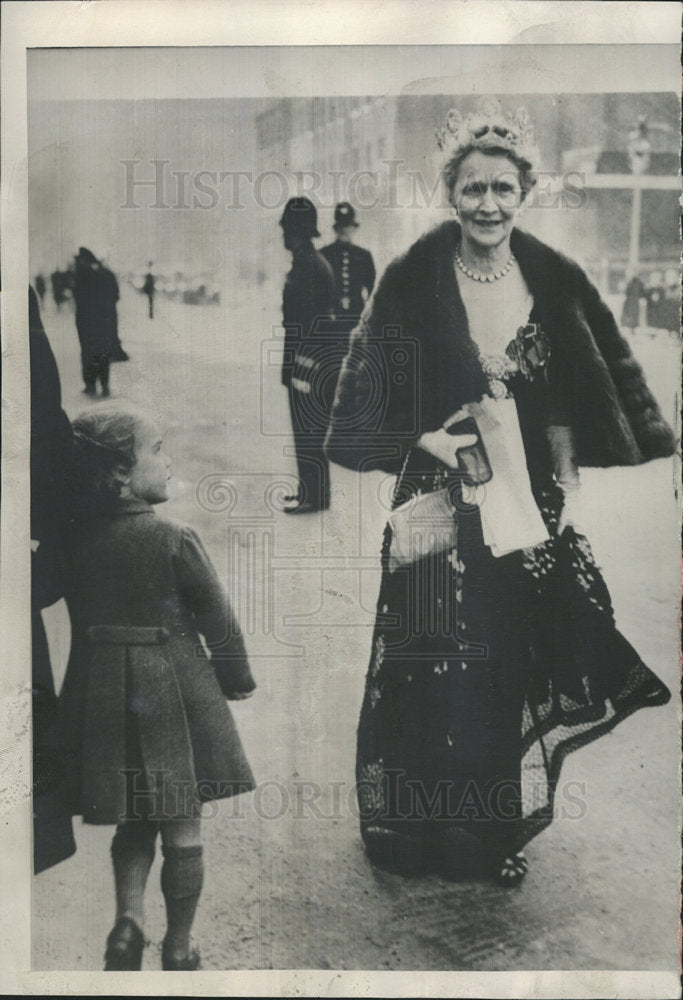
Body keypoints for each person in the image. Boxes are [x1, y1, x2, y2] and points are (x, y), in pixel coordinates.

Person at [325, 99, 674, 885]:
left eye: (502, 190)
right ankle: (416, 824)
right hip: (437, 499)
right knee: (429, 657)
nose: (487, 204)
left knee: (503, 660)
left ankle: (485, 831)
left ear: (524, 195)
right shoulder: (413, 275)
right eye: (473, 189)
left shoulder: (551, 276)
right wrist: (421, 439)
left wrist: (565, 481)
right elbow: (363, 396)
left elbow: (565, 397)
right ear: (451, 194)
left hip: (525, 501)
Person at [49, 403, 256, 970]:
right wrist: (237, 679)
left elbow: (39, 590)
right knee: (182, 821)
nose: (169, 461)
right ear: (119, 472)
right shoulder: (174, 538)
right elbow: (220, 620)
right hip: (177, 698)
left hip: (104, 702)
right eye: (157, 450)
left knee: (134, 816)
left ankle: (128, 925)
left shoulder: (74, 541)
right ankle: (180, 945)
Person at [279, 196, 336, 513]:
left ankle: (315, 495)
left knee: (310, 428)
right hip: (301, 358)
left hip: (309, 361)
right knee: (303, 429)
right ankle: (307, 490)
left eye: (287, 229)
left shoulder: (311, 266)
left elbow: (316, 323)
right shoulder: (305, 263)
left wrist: (307, 364)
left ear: (298, 231)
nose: (283, 235)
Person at [73, 247, 128, 396]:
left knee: (87, 352)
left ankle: (90, 385)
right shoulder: (108, 274)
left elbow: (77, 297)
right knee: (103, 352)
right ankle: (105, 385)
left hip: (86, 323)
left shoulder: (82, 275)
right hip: (105, 321)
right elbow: (116, 296)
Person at [320, 202, 376, 338]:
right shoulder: (324, 255)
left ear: (354, 228)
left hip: (356, 316)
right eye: (341, 227)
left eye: (348, 226)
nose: (344, 230)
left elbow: (371, 287)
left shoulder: (364, 256)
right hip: (331, 317)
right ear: (335, 229)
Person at [620, 270, 645, 335]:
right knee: (626, 324)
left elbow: (641, 294)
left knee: (634, 323)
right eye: (628, 273)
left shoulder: (639, 283)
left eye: (631, 273)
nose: (629, 275)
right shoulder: (625, 282)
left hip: (635, 305)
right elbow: (623, 293)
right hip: (627, 305)